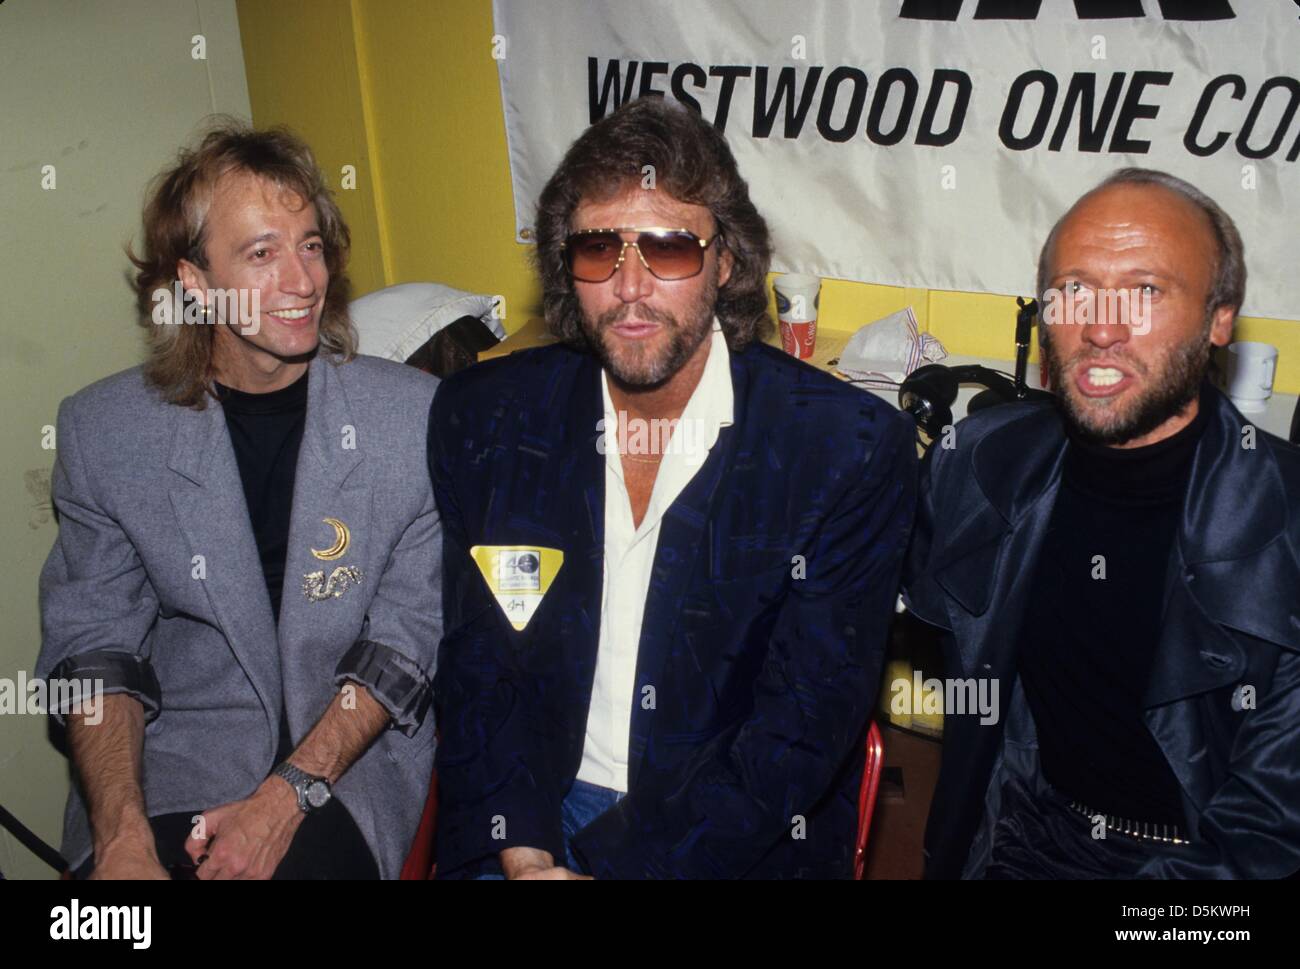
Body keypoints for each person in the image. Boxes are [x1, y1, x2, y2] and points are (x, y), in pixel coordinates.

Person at [428, 96, 917, 879]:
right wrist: (524, 854)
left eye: (669, 248)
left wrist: (613, 864)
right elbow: (483, 668)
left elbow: (798, 732)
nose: (629, 286)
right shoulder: (486, 418)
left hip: (723, 838)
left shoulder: (843, 451)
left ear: (726, 261)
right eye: (597, 250)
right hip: (527, 813)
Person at [36, 122, 441, 880]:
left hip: (345, 764)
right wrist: (120, 836)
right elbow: (94, 650)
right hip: (177, 759)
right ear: (194, 283)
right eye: (262, 253)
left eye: (311, 245)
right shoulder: (106, 433)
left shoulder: (412, 421)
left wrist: (286, 796)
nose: (302, 280)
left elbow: (405, 645)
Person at [904, 168, 1300, 879]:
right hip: (1017, 836)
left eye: (1146, 291)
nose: (1102, 326)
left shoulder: (1287, 530)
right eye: (1074, 289)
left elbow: (1269, 839)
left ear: (1220, 318)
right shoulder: (981, 466)